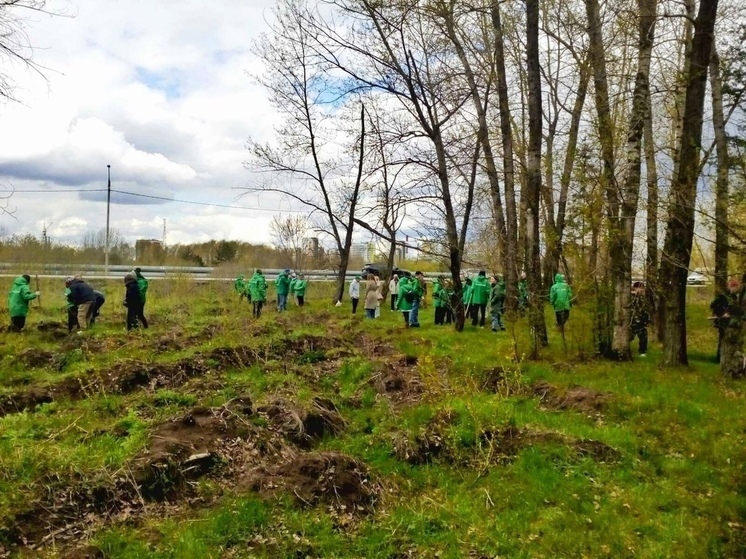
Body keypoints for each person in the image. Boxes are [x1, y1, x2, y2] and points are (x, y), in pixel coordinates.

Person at [629, 281, 650, 357]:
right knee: (630, 336)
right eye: (640, 288)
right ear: (636, 288)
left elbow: (644, 309)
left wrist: (647, 319)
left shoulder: (642, 298)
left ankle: (642, 352)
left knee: (643, 336)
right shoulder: (631, 297)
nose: (642, 290)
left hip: (641, 321)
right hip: (633, 321)